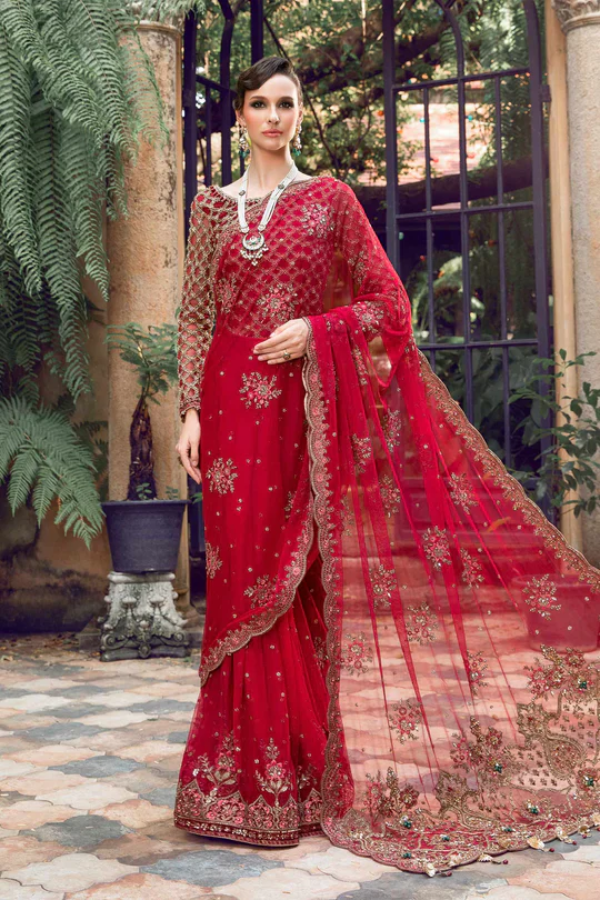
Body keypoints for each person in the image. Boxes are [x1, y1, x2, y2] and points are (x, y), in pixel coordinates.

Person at [173, 55, 600, 876]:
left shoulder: (330, 201)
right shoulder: (210, 210)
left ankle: (297, 778)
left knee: (288, 581)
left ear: (301, 112)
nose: (272, 116)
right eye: (259, 103)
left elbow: (389, 307)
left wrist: (316, 330)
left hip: (295, 416)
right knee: (235, 585)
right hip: (227, 417)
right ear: (241, 114)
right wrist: (188, 409)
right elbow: (194, 316)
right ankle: (236, 780)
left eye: (285, 102)